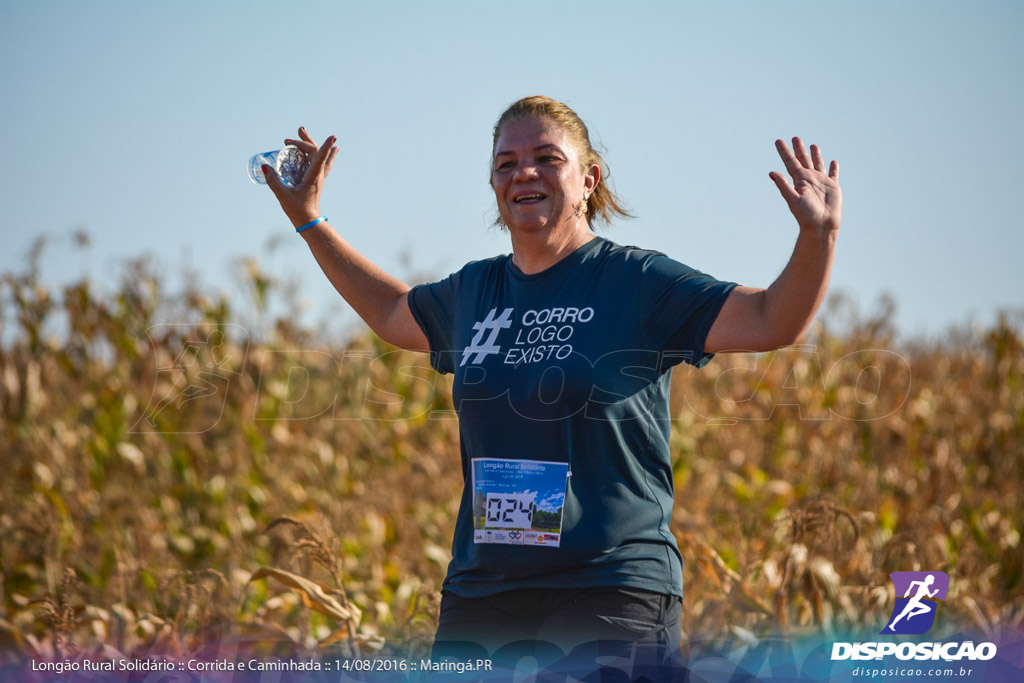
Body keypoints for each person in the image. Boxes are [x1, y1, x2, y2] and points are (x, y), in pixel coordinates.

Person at [261, 96, 842, 665]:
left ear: (589, 179)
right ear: (493, 187)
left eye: (547, 158)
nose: (524, 173)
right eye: (506, 164)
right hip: (484, 590)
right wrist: (310, 220)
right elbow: (392, 313)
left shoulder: (634, 281)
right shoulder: (475, 291)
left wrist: (818, 236)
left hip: (610, 585)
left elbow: (773, 320)